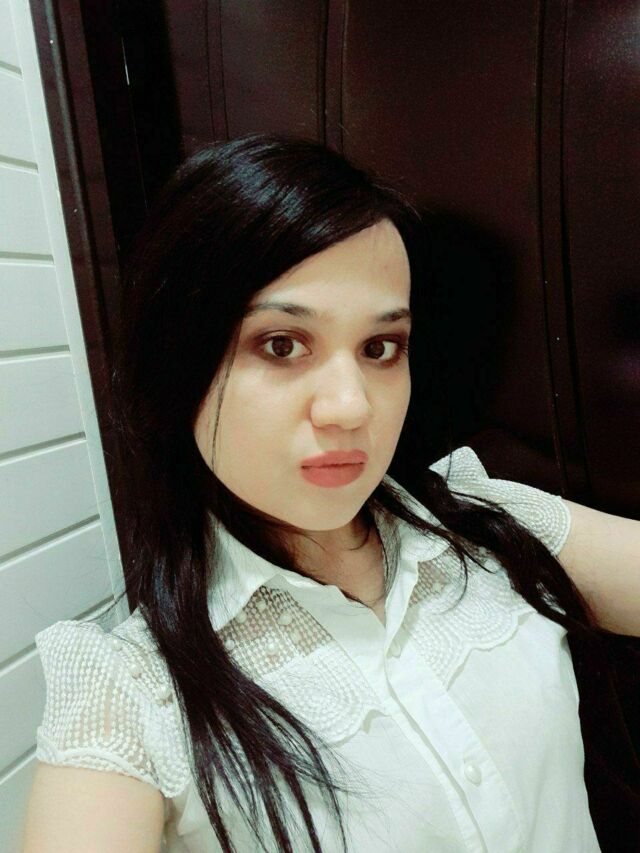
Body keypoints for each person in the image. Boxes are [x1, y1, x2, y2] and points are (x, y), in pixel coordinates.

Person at [22, 134, 640, 853]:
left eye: (381, 348)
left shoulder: (489, 528)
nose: (350, 407)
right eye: (281, 344)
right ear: (177, 361)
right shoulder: (132, 696)